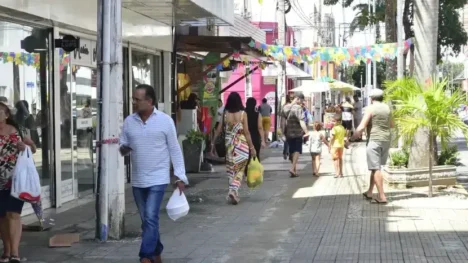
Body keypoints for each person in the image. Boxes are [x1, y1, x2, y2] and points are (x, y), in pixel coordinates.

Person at [119, 84, 188, 263]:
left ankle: (145, 257)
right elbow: (122, 145)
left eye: (137, 99)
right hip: (138, 180)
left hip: (158, 178)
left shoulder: (165, 121)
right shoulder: (129, 121)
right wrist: (123, 148)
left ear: (149, 101)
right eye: (133, 99)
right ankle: (156, 252)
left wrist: (180, 176)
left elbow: (174, 149)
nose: (133, 102)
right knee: (146, 221)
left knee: (150, 217)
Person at [0, 101, 36, 263]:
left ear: (7, 115)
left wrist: (26, 147)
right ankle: (6, 251)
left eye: (0, 112)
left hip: (16, 179)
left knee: (13, 214)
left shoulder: (19, 130)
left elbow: (33, 148)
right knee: (1, 216)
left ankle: (14, 252)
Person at [212, 92, 256, 205]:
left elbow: (218, 130)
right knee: (240, 168)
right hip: (242, 145)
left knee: (231, 168)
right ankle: (233, 190)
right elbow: (246, 131)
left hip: (229, 144)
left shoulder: (225, 114)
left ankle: (233, 192)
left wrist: (212, 143)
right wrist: (252, 147)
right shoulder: (243, 114)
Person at [354, 88, 392, 204]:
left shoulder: (371, 108)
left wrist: (351, 139)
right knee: (376, 167)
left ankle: (382, 196)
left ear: (371, 98)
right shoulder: (387, 108)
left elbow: (361, 126)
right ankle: (370, 192)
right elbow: (392, 124)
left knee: (376, 168)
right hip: (386, 139)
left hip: (374, 140)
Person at [281, 93, 308, 178]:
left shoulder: (285, 107)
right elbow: (301, 121)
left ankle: (294, 170)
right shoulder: (298, 108)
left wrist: (282, 132)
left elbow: (282, 121)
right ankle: (292, 169)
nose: (302, 102)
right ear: (298, 99)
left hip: (288, 133)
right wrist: (306, 131)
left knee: (292, 152)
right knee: (297, 150)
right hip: (297, 133)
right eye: (302, 100)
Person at [329, 114, 346, 178]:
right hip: (341, 145)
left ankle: (336, 173)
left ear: (337, 121)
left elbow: (332, 137)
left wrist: (329, 144)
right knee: (340, 159)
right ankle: (341, 173)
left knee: (335, 159)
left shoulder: (334, 128)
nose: (332, 122)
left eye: (333, 121)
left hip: (335, 146)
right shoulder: (342, 128)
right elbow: (344, 135)